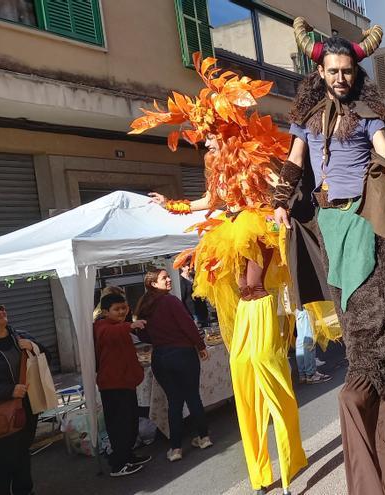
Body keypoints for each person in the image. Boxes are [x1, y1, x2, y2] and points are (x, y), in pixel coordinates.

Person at [131, 55, 334, 494]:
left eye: (208, 133)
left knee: (265, 362)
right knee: (243, 371)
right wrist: (175, 204)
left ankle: (290, 455)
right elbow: (210, 199)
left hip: (258, 237)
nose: (204, 141)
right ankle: (262, 471)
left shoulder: (251, 150)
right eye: (200, 136)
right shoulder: (214, 164)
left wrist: (279, 212)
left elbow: (281, 184)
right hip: (239, 287)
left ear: (223, 126)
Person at [273, 20, 385, 494]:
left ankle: (362, 388)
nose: (340, 78)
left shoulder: (370, 111)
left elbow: (382, 149)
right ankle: (368, 400)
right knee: (350, 317)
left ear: (357, 71)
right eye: (333, 71)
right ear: (320, 72)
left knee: (370, 320)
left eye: (347, 71)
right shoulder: (307, 116)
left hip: (365, 221)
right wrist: (279, 203)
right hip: (326, 225)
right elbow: (294, 160)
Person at [134, 269, 211, 462]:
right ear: (153, 283)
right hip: (183, 354)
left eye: (168, 276)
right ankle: (203, 437)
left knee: (174, 402)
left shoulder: (144, 305)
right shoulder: (170, 301)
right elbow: (187, 324)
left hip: (161, 356)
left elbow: (142, 333)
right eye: (164, 278)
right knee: (193, 397)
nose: (169, 280)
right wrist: (200, 345)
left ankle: (176, 448)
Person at [94, 293, 151, 477]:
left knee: (130, 422)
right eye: (116, 309)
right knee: (120, 425)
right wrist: (130, 325)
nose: (121, 312)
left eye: (124, 308)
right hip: (113, 385)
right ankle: (119, 464)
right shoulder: (102, 327)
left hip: (126, 382)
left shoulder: (118, 326)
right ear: (105, 312)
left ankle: (127, 456)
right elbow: (108, 334)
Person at [0, 304, 37, 494]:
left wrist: (33, 346)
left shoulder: (19, 336)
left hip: (25, 409)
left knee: (22, 454)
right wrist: (8, 391)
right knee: (2, 463)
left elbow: (46, 358)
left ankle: (25, 490)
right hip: (1, 415)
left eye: (0, 307)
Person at [294, 308, 331, 385]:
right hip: (305, 307)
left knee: (301, 339)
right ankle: (311, 374)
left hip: (298, 309)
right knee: (309, 339)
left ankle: (303, 374)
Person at [179, 263, 210, 327]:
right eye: (188, 265)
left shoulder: (194, 276)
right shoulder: (181, 281)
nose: (191, 267)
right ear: (182, 268)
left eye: (191, 265)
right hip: (193, 312)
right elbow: (182, 298)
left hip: (202, 309)